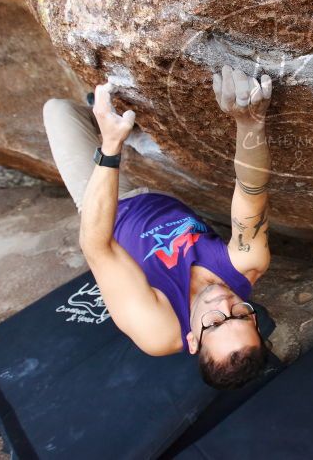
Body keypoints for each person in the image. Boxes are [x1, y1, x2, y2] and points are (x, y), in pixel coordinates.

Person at [42, 65, 273, 389]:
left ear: (193, 341)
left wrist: (110, 149)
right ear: (255, 322)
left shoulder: (158, 330)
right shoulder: (245, 266)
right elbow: (251, 194)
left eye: (216, 322)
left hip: (111, 209)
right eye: (239, 315)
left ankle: (109, 126)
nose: (223, 304)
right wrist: (250, 122)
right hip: (162, 199)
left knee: (58, 110)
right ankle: (125, 128)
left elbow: (97, 247)